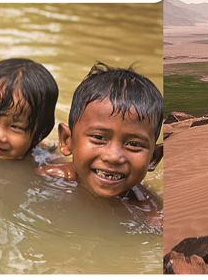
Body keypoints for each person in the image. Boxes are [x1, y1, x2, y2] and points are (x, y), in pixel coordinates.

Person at [38, 63, 163, 199]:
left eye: (134, 144)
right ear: (67, 140)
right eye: (99, 137)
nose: (114, 157)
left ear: (153, 158)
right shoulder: (47, 177)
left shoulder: (150, 213)